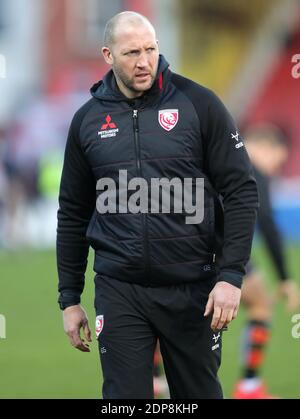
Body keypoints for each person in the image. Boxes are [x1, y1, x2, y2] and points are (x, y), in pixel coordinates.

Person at [56, 11, 258, 399]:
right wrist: (69, 298)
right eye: (132, 52)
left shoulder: (200, 105)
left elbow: (241, 191)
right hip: (120, 290)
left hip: (193, 288)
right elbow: (72, 212)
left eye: (151, 49)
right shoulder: (86, 122)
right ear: (108, 55)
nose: (144, 61)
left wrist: (231, 276)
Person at [233, 124, 300, 399]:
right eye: (278, 161)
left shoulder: (219, 157)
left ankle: (154, 378)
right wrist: (285, 278)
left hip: (181, 249)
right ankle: (248, 387)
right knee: (261, 304)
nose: (275, 169)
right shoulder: (252, 171)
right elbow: (269, 226)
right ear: (265, 147)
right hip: (222, 254)